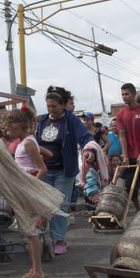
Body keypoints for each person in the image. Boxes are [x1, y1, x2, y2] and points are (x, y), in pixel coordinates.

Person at [36, 86, 94, 255]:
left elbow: (86, 137)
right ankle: (44, 237)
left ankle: (59, 239)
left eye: (54, 106)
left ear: (62, 105)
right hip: (45, 170)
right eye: (48, 106)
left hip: (64, 171)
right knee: (45, 204)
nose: (50, 110)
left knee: (60, 205)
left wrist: (89, 150)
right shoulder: (43, 121)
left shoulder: (71, 120)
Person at [5, 106, 48, 278]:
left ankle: (39, 271)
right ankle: (34, 267)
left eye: (9, 128)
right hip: (24, 187)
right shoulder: (24, 142)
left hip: (29, 187)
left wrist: (31, 189)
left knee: (32, 231)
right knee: (28, 232)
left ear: (20, 126)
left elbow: (43, 168)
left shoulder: (28, 143)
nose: (7, 131)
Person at [117, 82, 140, 212]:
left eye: (126, 94)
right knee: (130, 185)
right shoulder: (121, 114)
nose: (124, 97)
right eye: (122, 94)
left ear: (134, 94)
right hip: (129, 157)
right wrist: (125, 155)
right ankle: (138, 208)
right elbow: (122, 135)